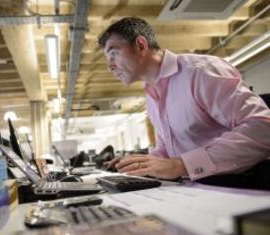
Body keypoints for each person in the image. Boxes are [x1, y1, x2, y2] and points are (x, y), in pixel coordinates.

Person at [99, 17, 270, 186]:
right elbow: (169, 148)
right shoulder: (151, 95)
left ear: (141, 45)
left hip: (240, 183)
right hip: (196, 187)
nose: (110, 66)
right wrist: (142, 162)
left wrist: (182, 165)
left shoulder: (200, 72)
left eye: (113, 53)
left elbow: (263, 128)